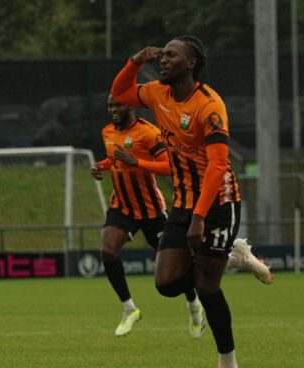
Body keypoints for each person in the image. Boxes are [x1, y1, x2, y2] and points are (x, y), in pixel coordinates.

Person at [111, 35, 251, 368]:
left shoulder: (209, 105)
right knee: (166, 282)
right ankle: (233, 257)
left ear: (191, 63)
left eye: (172, 55)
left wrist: (200, 217)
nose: (164, 59)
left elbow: (218, 167)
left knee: (206, 285)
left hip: (217, 202)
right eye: (164, 54)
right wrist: (134, 61)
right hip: (183, 203)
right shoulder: (158, 92)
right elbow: (120, 92)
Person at [91, 95, 271, 339]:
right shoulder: (107, 132)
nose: (113, 109)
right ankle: (129, 308)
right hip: (121, 206)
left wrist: (138, 162)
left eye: (118, 104)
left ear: (130, 105)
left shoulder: (149, 133)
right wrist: (102, 166)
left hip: (152, 209)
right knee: (108, 250)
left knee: (175, 272)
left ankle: (195, 303)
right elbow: (115, 158)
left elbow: (168, 167)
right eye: (110, 105)